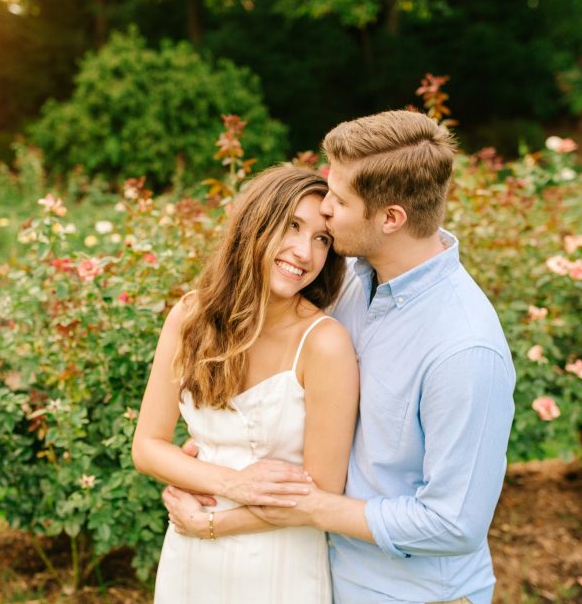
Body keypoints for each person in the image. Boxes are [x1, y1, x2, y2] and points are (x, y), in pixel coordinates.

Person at [166, 110, 516, 604]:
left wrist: (296, 507)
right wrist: (220, 456)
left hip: (413, 595)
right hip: (320, 577)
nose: (325, 209)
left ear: (391, 218)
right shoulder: (349, 279)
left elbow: (452, 523)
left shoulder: (464, 348)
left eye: (339, 199)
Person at [132, 164, 360, 603]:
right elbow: (147, 446)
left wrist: (213, 523)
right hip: (189, 556)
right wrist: (228, 484)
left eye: (322, 239)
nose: (305, 253)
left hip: (279, 563)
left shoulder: (324, 343)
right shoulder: (190, 317)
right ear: (254, 224)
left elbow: (323, 492)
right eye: (292, 226)